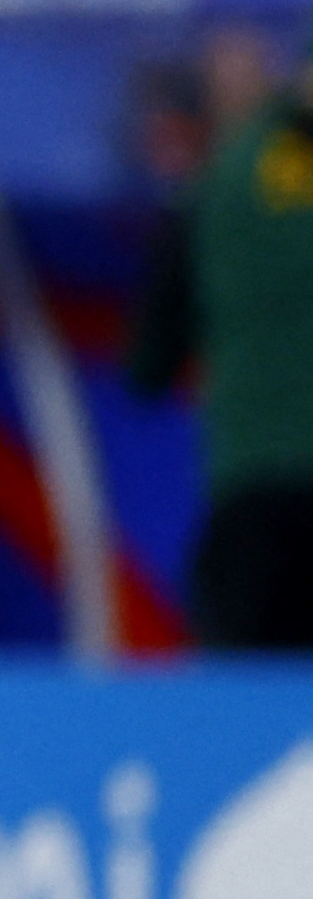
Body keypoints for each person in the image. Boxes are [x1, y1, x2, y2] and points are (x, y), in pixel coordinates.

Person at [130, 35, 313, 649]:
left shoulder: (226, 176)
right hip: (257, 473)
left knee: (243, 671)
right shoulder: (233, 174)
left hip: (253, 473)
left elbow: (154, 348)